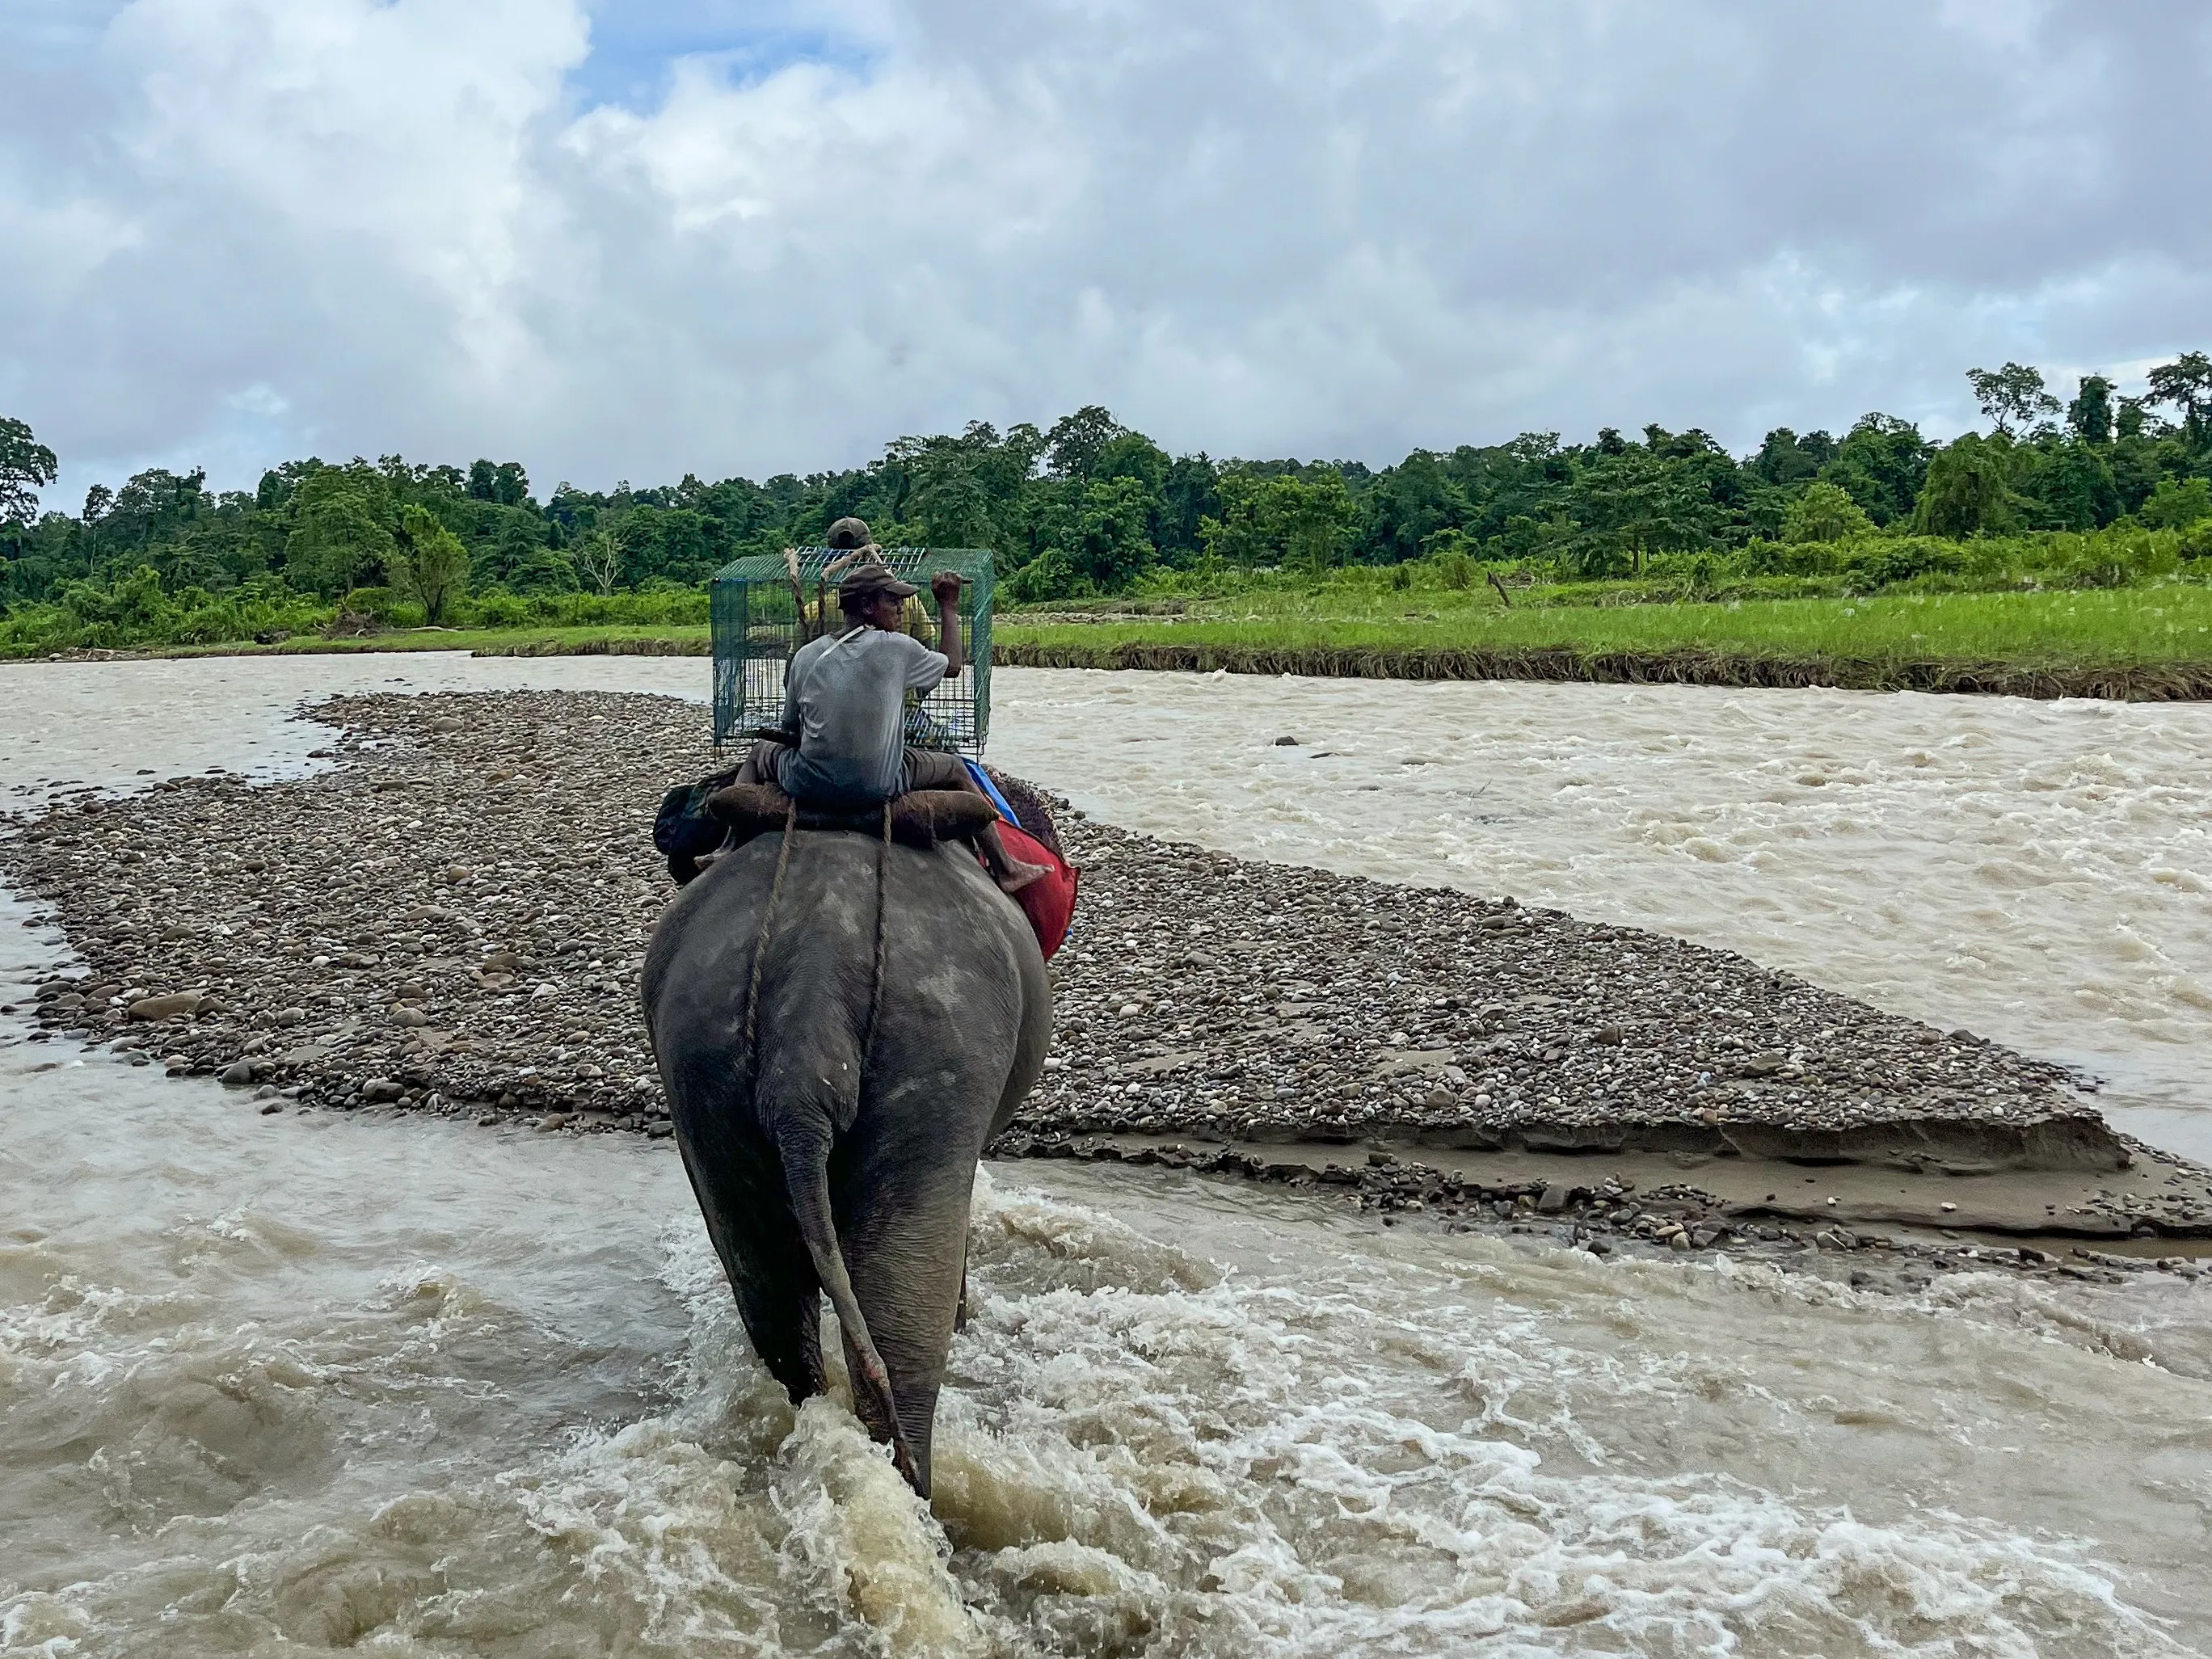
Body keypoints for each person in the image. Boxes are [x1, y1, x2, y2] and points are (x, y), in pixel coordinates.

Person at [740, 557, 1051, 894]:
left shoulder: (806, 655)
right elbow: (953, 665)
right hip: (879, 786)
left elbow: (791, 730)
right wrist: (948, 606)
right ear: (867, 606)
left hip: (807, 785)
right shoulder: (897, 648)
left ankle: (729, 847)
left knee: (760, 753)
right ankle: (1006, 867)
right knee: (956, 768)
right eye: (892, 600)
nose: (901, 608)